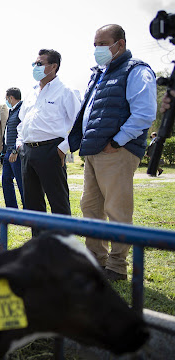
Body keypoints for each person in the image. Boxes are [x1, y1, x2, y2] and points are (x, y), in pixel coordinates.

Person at [68, 24, 157, 281]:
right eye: (95, 44)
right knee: (91, 207)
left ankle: (117, 267)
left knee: (117, 210)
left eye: (103, 43)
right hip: (94, 151)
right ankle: (96, 261)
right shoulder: (100, 73)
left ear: (120, 44)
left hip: (116, 151)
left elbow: (144, 114)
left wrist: (116, 142)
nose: (98, 49)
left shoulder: (136, 71)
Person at [16, 49, 80, 233]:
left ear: (53, 66)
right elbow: (22, 122)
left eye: (39, 64)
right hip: (28, 152)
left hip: (52, 150)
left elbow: (78, 124)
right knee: (33, 203)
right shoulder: (32, 92)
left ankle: (62, 247)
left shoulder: (65, 91)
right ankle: (39, 247)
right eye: (34, 64)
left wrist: (63, 148)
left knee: (58, 201)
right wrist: (20, 144)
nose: (35, 67)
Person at [2, 87, 25, 209]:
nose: (6, 101)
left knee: (21, 182)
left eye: (7, 98)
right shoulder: (12, 111)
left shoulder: (22, 109)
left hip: (16, 152)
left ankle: (27, 210)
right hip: (7, 152)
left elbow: (22, 131)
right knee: (6, 180)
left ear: (11, 97)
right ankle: (11, 209)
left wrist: (16, 150)